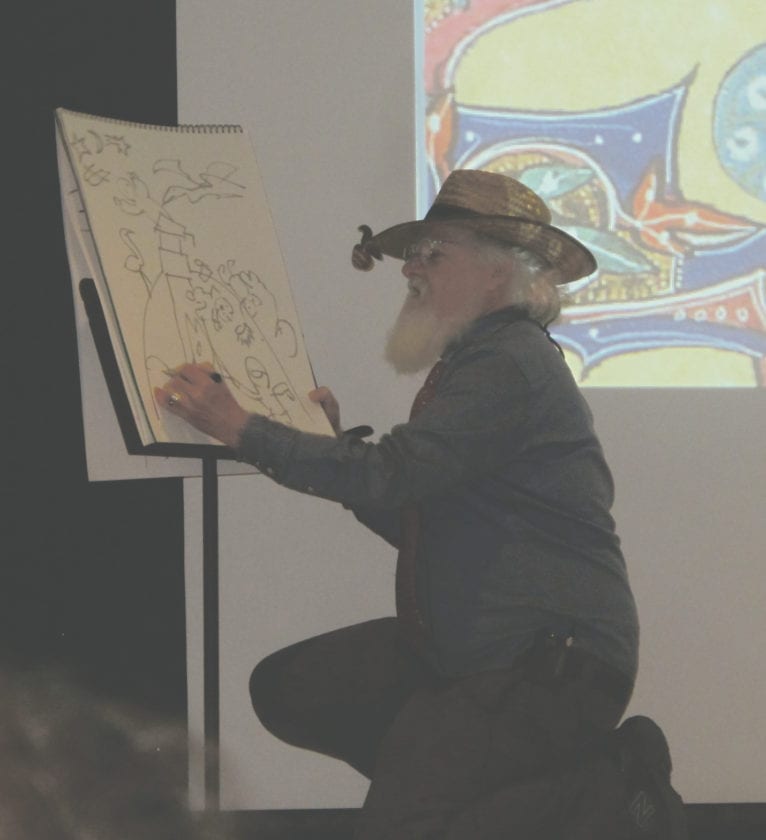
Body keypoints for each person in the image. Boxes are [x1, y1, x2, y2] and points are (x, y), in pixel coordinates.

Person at [155, 170, 687, 839]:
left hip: (546, 668)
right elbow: (416, 512)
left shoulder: (507, 364)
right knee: (292, 687)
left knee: (401, 828)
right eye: (414, 253)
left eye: (434, 253)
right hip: (471, 652)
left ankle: (606, 792)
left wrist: (243, 428)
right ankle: (494, 786)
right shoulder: (477, 360)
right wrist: (333, 447)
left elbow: (392, 477)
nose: (410, 267)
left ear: (498, 274)